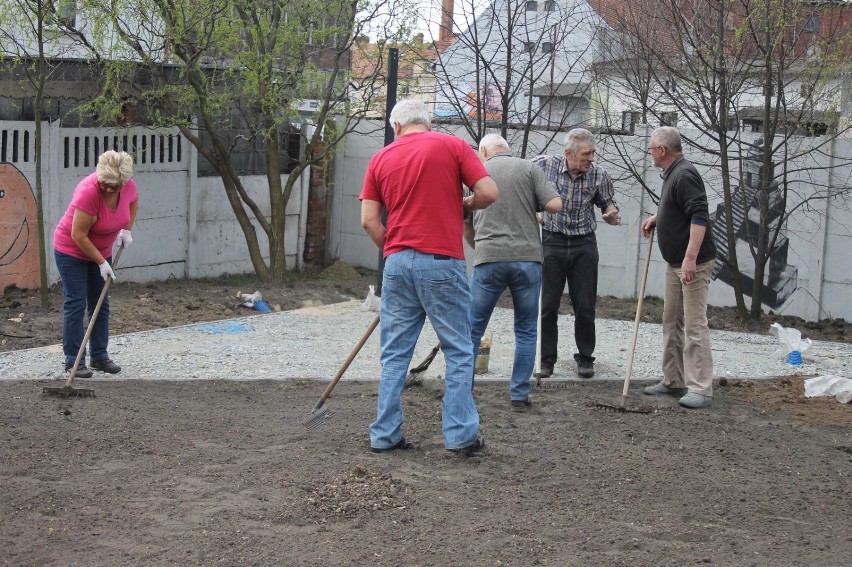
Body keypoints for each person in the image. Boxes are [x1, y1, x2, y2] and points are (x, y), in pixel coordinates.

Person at [360, 99, 499, 454]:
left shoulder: (380, 158)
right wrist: (465, 204)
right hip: (441, 262)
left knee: (394, 355)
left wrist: (394, 250)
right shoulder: (452, 145)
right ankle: (460, 437)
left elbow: (369, 221)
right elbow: (488, 193)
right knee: (458, 350)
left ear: (396, 127)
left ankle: (385, 435)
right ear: (428, 122)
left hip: (397, 265)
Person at [465, 134, 561, 411]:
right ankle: (519, 395)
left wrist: (482, 248)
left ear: (484, 150)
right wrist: (535, 208)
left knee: (472, 329)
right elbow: (555, 204)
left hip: (489, 259)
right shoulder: (529, 167)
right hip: (528, 260)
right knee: (527, 330)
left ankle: (463, 390)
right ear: (507, 149)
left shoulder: (476, 173)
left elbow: (466, 224)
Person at [531, 128, 620, 379]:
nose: (591, 159)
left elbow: (609, 203)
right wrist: (532, 209)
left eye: (593, 153)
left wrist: (611, 213)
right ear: (568, 153)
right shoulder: (542, 166)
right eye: (586, 154)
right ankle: (546, 360)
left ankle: (585, 357)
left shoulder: (598, 175)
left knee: (585, 304)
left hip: (584, 244)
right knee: (547, 305)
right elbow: (523, 186)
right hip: (551, 241)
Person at [640, 126, 717, 409]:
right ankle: (673, 380)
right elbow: (678, 208)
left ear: (662, 150)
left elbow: (699, 215)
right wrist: (657, 218)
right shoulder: (672, 174)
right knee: (671, 322)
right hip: (675, 263)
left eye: (651, 148)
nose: (650, 152)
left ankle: (700, 388)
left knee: (695, 325)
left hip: (691, 264)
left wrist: (690, 258)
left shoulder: (684, 175)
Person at [54, 150, 139, 377]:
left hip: (101, 250)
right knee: (76, 303)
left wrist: (127, 229)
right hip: (71, 251)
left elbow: (133, 203)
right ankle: (74, 360)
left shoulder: (128, 186)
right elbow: (78, 235)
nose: (110, 189)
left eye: (115, 186)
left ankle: (99, 356)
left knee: (100, 303)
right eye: (106, 184)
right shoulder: (87, 192)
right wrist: (102, 263)